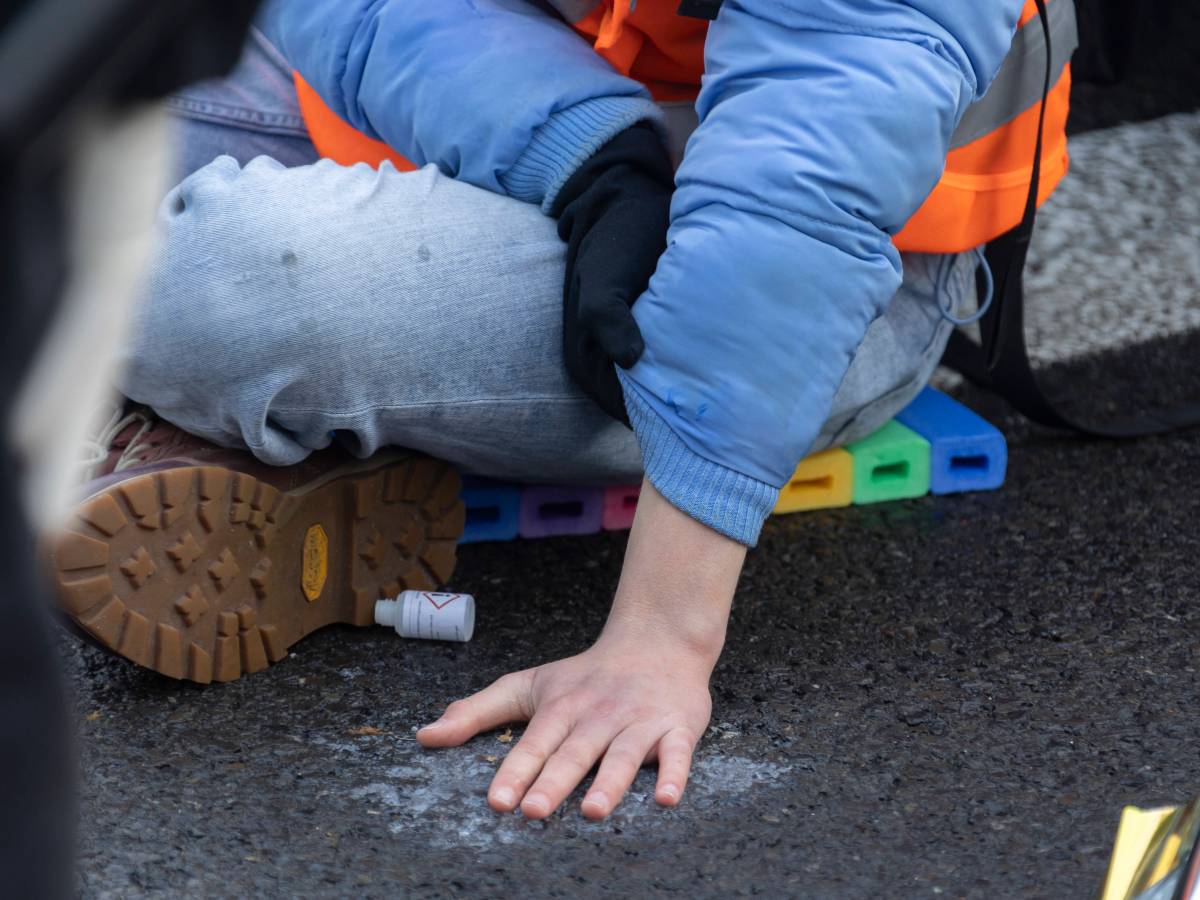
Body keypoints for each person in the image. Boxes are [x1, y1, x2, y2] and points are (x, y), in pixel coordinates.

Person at [50, 0, 1074, 821]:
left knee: (212, 282)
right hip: (495, 102)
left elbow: (802, 189)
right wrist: (585, 153)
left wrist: (661, 639)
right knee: (40, 116)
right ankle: (270, 420)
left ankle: (228, 408)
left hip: (831, 266)